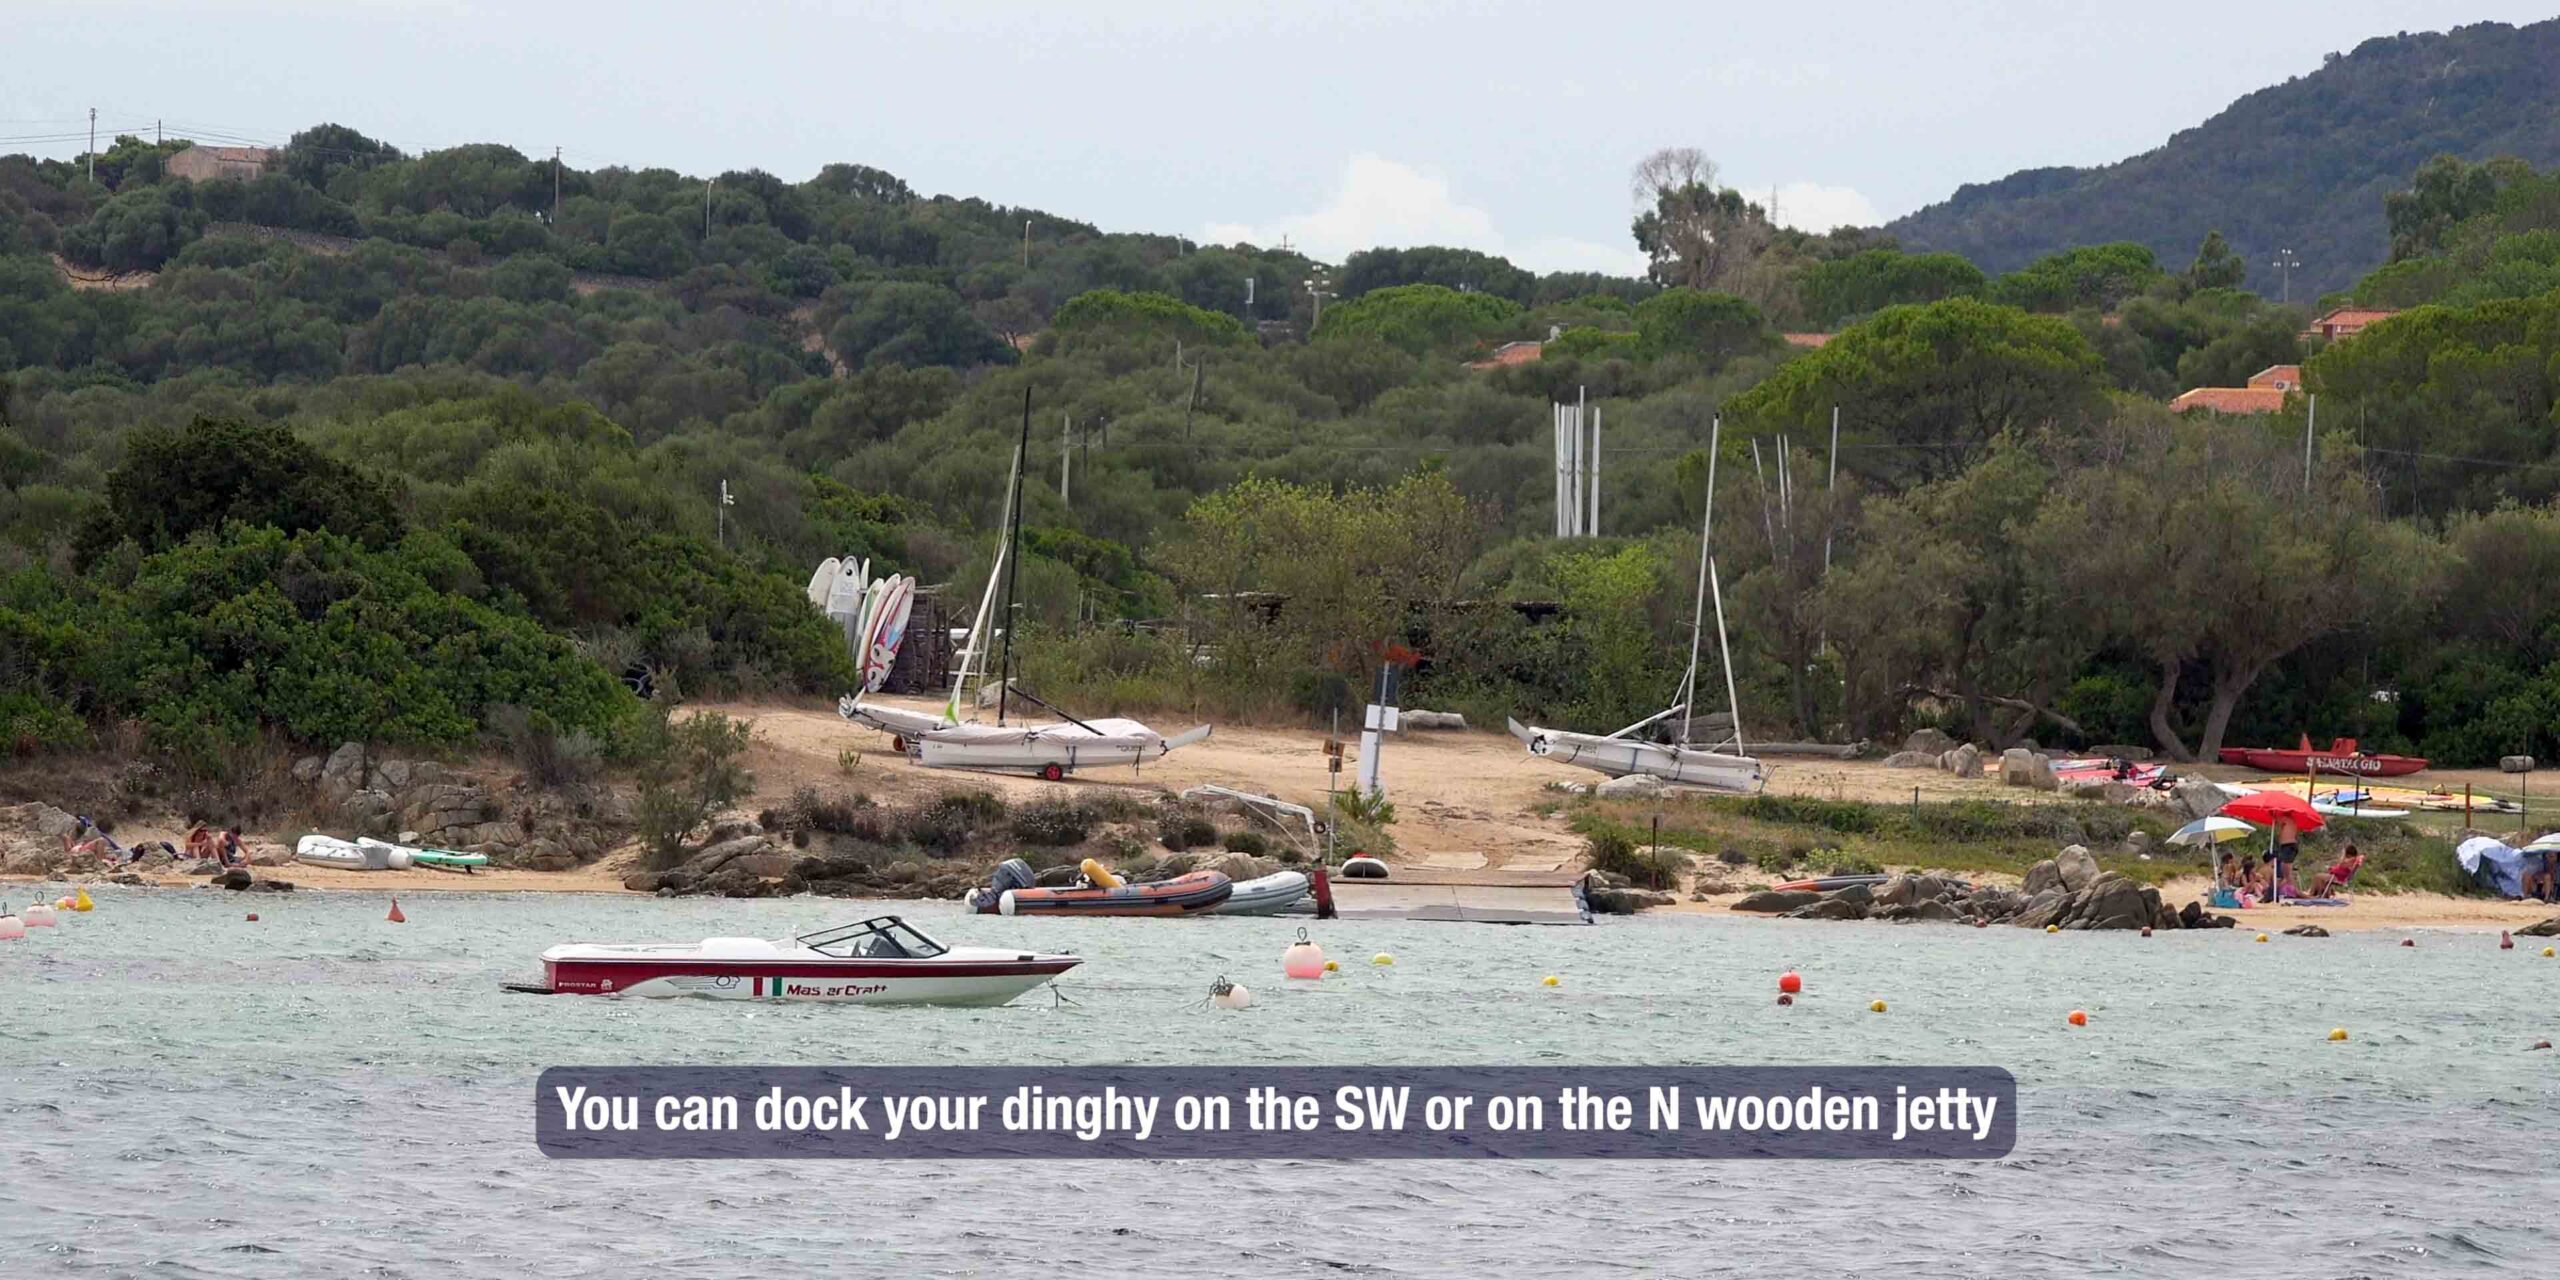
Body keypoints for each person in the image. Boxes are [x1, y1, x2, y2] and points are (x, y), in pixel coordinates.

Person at [2270, 818, 2301, 901]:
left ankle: (2297, 892)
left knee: (2286, 872)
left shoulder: (2287, 819)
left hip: (2288, 846)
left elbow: (2277, 822)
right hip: (2287, 846)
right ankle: (2294, 891)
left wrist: (2273, 816)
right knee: (2286, 872)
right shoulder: (2291, 821)